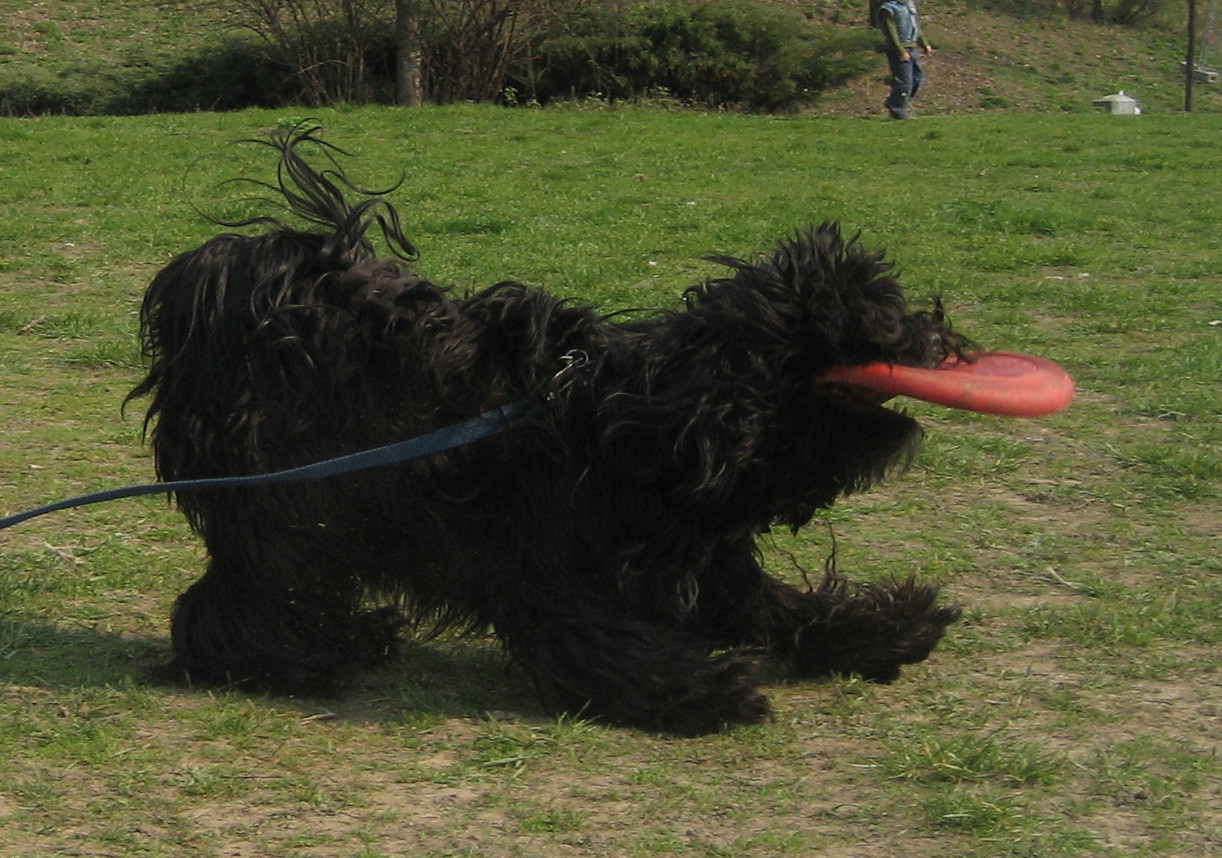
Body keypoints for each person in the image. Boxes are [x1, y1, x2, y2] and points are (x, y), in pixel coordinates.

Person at [875, 0, 934, 119]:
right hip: (898, 50)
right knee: (904, 82)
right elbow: (890, 33)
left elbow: (915, 26)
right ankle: (897, 109)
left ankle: (900, 102)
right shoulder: (888, 8)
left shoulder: (909, 4)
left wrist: (923, 43)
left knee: (917, 78)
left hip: (912, 48)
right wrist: (900, 51)